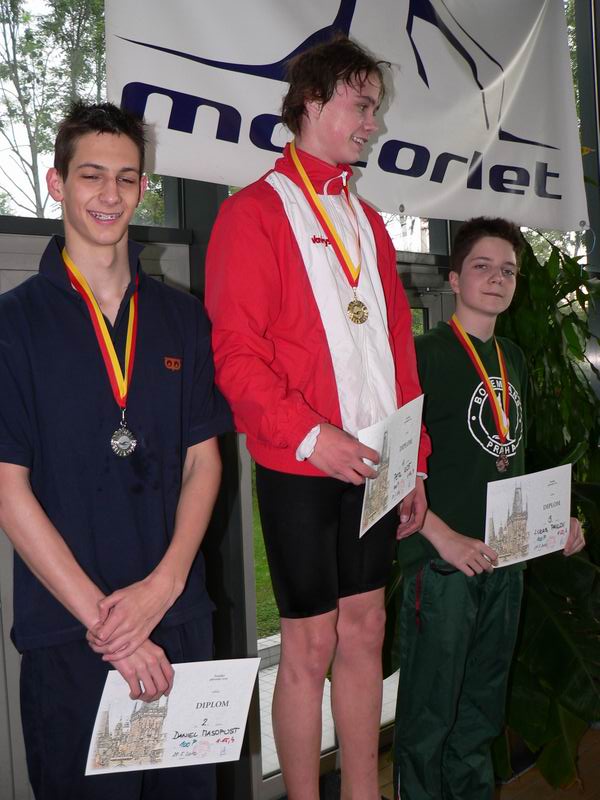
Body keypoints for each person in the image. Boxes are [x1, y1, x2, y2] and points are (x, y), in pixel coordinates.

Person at [205, 34, 430, 800]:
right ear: (312, 100)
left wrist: (414, 461)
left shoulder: (367, 222)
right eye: (361, 105)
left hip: (377, 464)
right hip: (299, 463)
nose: (373, 122)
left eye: (375, 108)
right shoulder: (252, 213)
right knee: (309, 644)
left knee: (365, 632)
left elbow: (398, 351)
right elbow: (235, 354)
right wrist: (308, 434)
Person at [0, 102, 232, 800]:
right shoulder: (13, 324)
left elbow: (204, 461)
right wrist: (114, 629)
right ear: (57, 182)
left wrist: (164, 588)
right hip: (71, 635)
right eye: (91, 175)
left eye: (126, 178)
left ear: (142, 188)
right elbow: (8, 489)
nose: (110, 193)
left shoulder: (182, 318)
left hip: (179, 622)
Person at [393, 217, 586, 800]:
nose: (497, 279)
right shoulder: (421, 356)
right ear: (454, 279)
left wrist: (553, 522)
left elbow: (513, 460)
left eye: (508, 270)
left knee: (480, 713)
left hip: (504, 561)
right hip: (443, 564)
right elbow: (392, 471)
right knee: (430, 718)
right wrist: (441, 537)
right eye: (482, 267)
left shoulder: (513, 359)